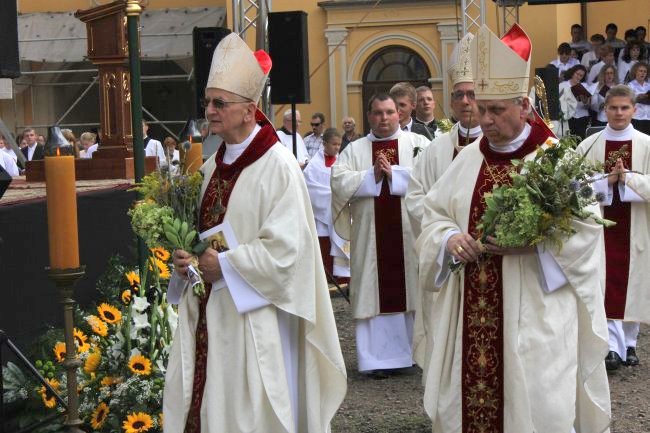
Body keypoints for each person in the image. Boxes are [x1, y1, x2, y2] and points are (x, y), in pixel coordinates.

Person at [417, 24, 610, 433]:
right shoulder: (467, 160)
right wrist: (448, 238)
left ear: (524, 106)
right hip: (471, 310)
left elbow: (587, 235)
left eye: (495, 110)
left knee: (539, 408)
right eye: (480, 107)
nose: (482, 119)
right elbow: (434, 214)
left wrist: (532, 246)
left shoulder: (556, 163)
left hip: (536, 313)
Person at [164, 32, 346, 433]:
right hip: (210, 313)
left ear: (250, 110)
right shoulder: (211, 166)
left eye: (219, 103)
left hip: (257, 319)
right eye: (208, 101)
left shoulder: (277, 166)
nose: (209, 110)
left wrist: (226, 265)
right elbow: (203, 235)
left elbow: (289, 251)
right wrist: (187, 261)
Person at [330, 93, 430, 376]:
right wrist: (370, 175)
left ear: (399, 113)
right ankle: (375, 361)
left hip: (409, 234)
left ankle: (413, 353)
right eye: (377, 113)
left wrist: (395, 174)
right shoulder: (355, 149)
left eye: (389, 112)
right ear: (369, 115)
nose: (383, 118)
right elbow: (337, 181)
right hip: (369, 237)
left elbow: (433, 178)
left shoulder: (419, 144)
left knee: (410, 286)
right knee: (372, 290)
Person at [405, 32, 482, 378]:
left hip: (489, 257)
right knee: (446, 342)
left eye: (472, 94)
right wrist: (447, 236)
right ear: (449, 102)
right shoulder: (434, 150)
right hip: (447, 260)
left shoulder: (504, 149)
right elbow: (416, 198)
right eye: (458, 95)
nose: (465, 101)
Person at [577, 84, 650, 371]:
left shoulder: (646, 143)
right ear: (604, 109)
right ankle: (610, 346)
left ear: (634, 109)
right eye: (613, 107)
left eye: (624, 108)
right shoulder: (589, 145)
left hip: (637, 224)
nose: (619, 113)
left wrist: (628, 179)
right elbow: (574, 187)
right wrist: (605, 182)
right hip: (600, 225)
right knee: (604, 281)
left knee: (631, 282)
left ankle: (629, 344)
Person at [303, 127, 350, 283]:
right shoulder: (313, 166)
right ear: (324, 144)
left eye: (339, 144)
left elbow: (347, 181)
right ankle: (327, 276)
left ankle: (343, 275)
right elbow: (310, 187)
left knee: (342, 239)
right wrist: (331, 195)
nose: (337, 147)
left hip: (340, 210)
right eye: (334, 144)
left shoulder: (342, 162)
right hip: (321, 213)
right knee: (324, 243)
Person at [559, 64, 593, 138]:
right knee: (568, 138)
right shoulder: (563, 85)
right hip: (568, 116)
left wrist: (585, 101)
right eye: (577, 74)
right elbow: (558, 100)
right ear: (573, 73)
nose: (578, 77)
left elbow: (588, 105)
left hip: (582, 117)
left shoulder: (585, 86)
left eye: (581, 76)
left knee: (580, 139)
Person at [628, 62, 650, 135]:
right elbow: (628, 101)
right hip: (636, 118)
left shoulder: (649, 85)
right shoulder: (630, 85)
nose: (643, 73)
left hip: (648, 117)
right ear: (635, 72)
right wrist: (638, 97)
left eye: (645, 71)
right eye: (640, 71)